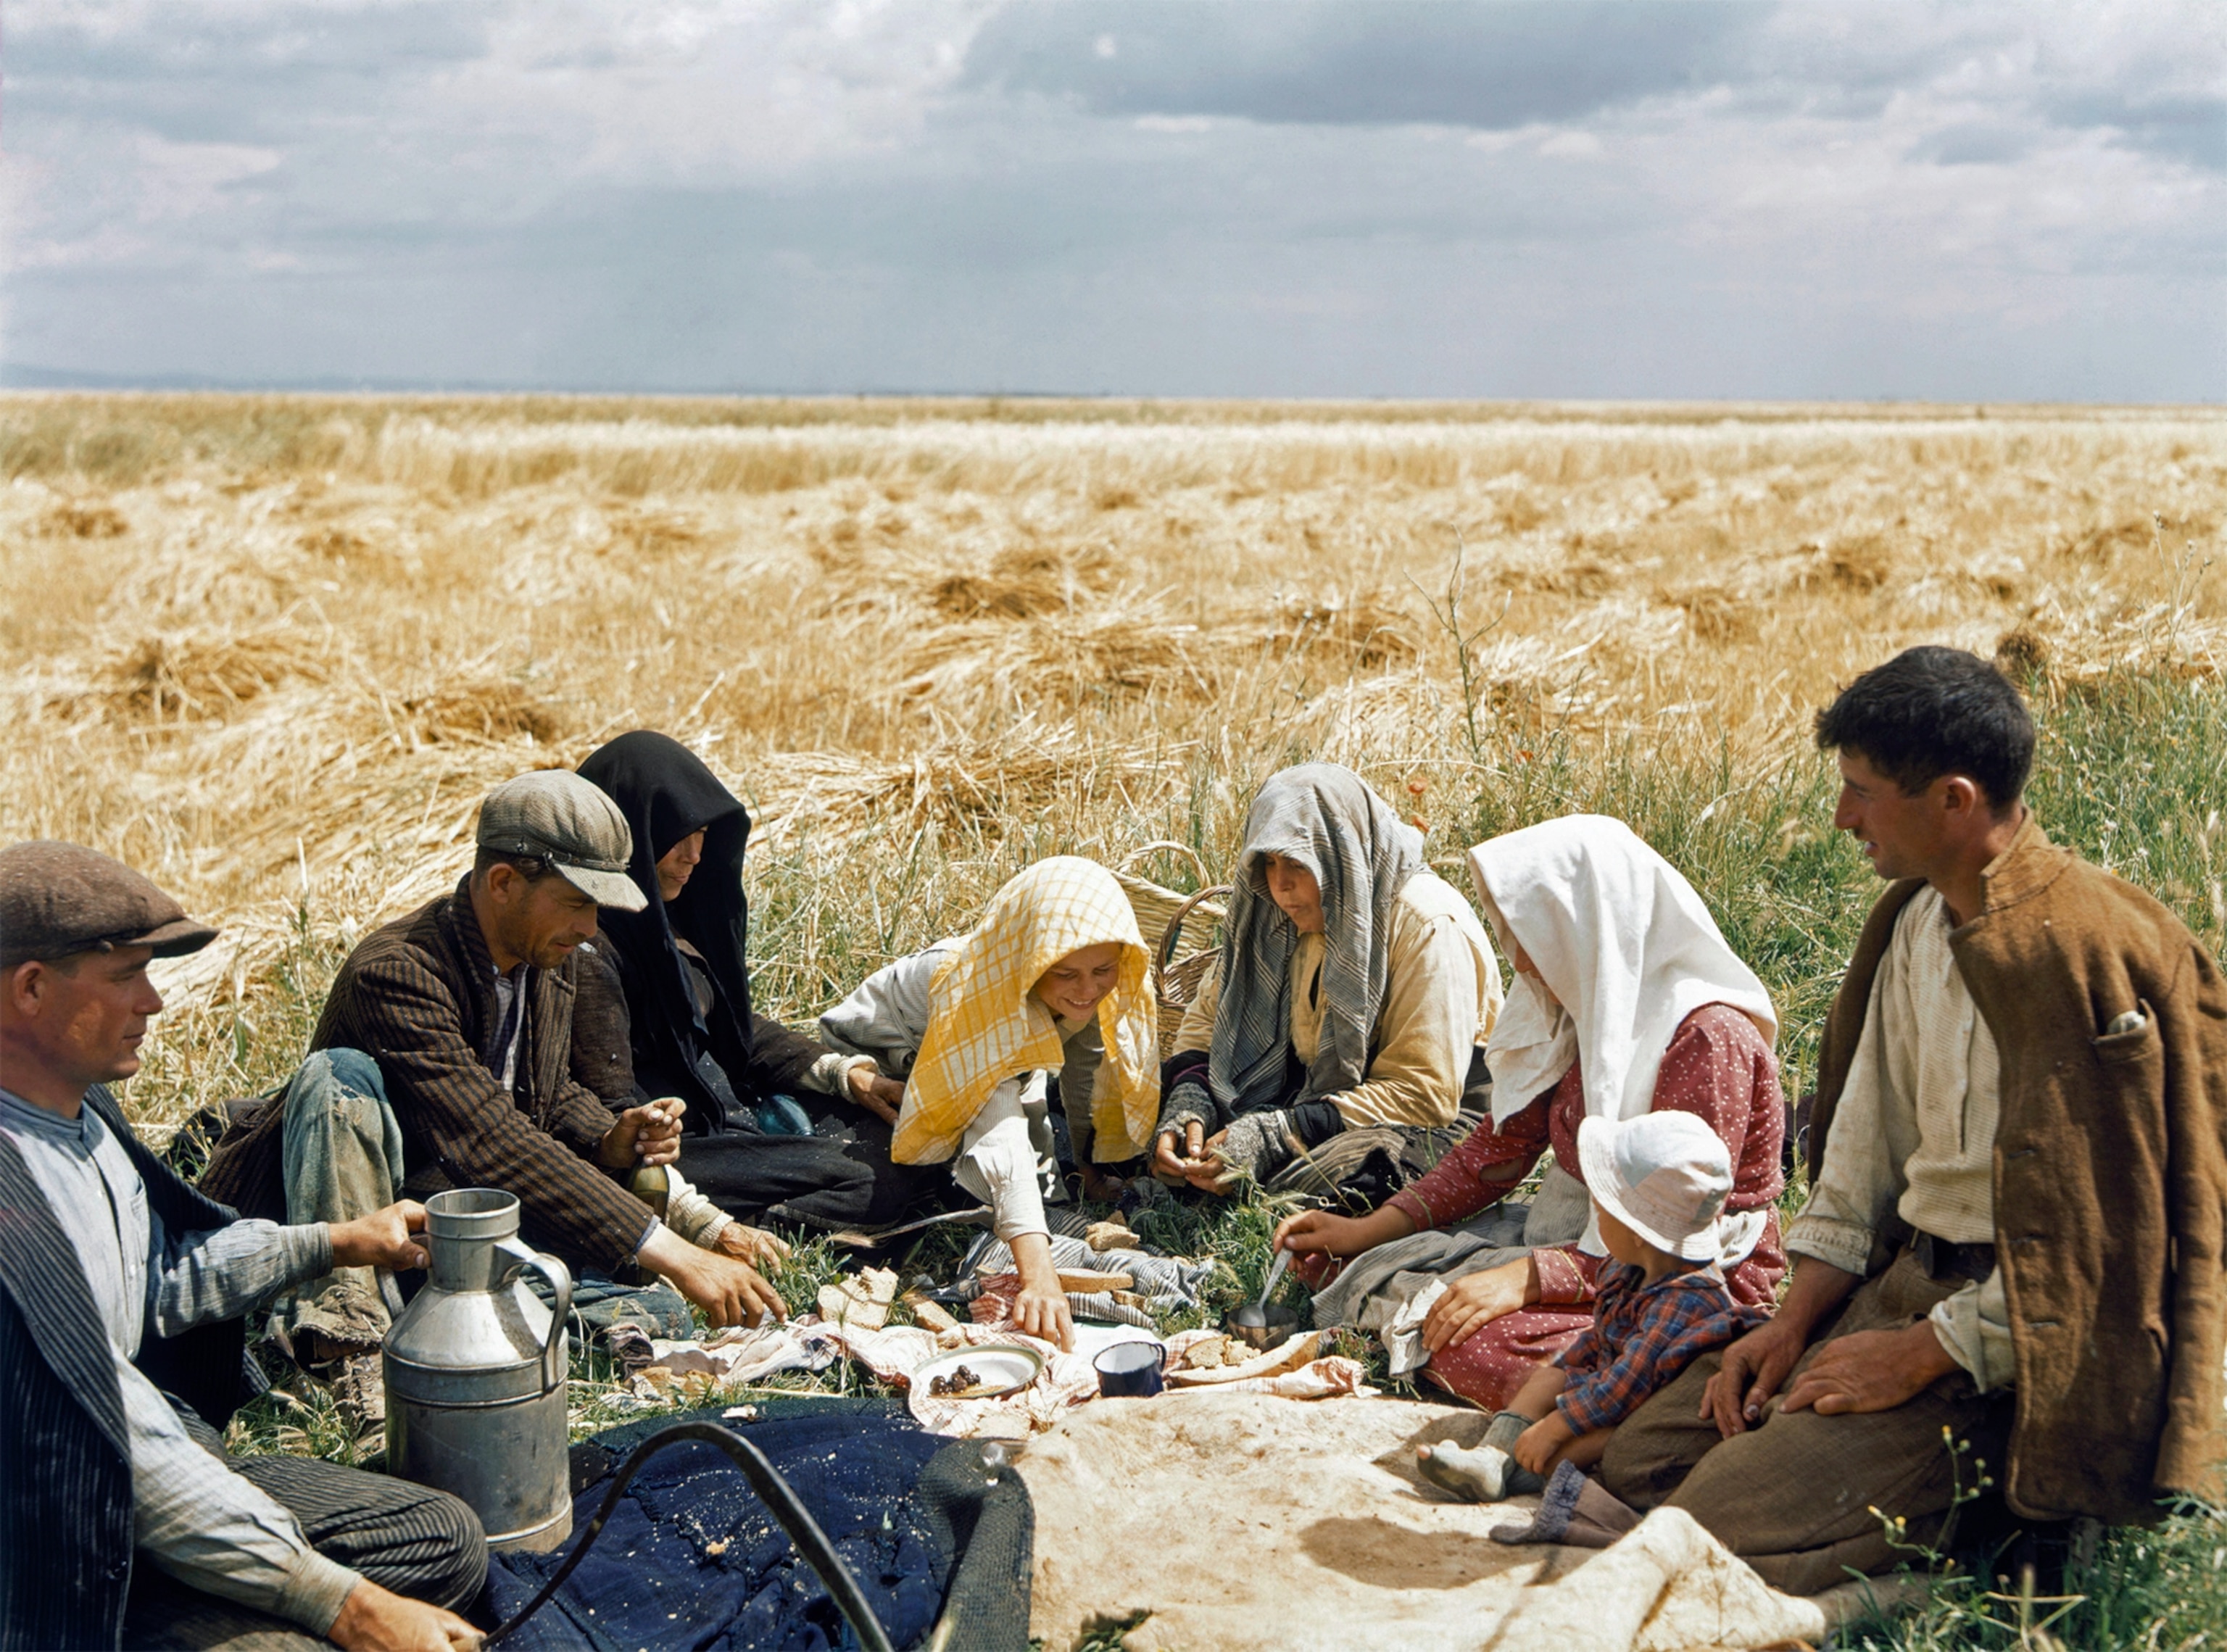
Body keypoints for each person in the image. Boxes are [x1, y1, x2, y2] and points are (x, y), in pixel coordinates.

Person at [1596, 647, 2227, 1594]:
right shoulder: (1915, 922)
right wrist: (1795, 1321)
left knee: (1708, 1518)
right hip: (1903, 1283)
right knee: (1642, 1457)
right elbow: (1863, 1155)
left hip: (2016, 1341)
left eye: (1861, 791)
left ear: (1954, 800)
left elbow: (2108, 1247)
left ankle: (2003, 1528)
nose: (1843, 817)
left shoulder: (2083, 955)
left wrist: (1926, 1352)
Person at [0, 841, 486, 1652]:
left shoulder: (81, 1116)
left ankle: (226, 1583)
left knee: (444, 1537)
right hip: (52, 1533)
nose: (153, 1001)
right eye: (126, 975)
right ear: (31, 988)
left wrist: (336, 1239)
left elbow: (158, 1277)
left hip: (149, 1468)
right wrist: (345, 1605)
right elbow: (119, 1440)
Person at [201, 771, 787, 1421]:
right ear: (504, 882)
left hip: (438, 1218)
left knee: (648, 1308)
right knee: (339, 1077)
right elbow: (487, 1138)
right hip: (342, 1223)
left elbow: (548, 1094)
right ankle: (345, 1344)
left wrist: (608, 1136)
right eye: (576, 903)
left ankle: (425, 1312)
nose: (591, 929)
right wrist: (675, 1249)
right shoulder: (397, 972)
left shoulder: (544, 962)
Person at [1273, 813, 1786, 1413]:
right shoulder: (1575, 1012)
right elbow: (1496, 1151)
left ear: (1584, 928)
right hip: (1585, 1237)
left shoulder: (1705, 1037)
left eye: (1531, 935)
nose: (1517, 956)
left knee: (1470, 1338)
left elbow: (1676, 1235)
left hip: (1688, 1276)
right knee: (1359, 1267)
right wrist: (1363, 1230)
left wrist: (1524, 1279)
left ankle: (1644, 1390)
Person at [573, 730, 933, 1231]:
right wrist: (701, 1224)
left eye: (702, 834)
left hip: (728, 1116)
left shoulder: (664, 924)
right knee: (874, 1180)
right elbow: (612, 1119)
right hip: (672, 1152)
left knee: (903, 1137)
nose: (695, 854)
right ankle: (751, 1235)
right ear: (631, 830)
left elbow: (731, 1028)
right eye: (678, 833)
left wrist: (844, 1075)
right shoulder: (586, 950)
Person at [818, 856, 1161, 1351]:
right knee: (958, 1182)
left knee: (1043, 1190)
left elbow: (1088, 1067)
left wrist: (1088, 1164)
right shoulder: (980, 989)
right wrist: (1038, 1274)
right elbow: (998, 1119)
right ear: (1031, 960)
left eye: (1103, 971)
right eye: (1066, 974)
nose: (1088, 990)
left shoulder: (1078, 991)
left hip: (1000, 1065)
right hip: (881, 1060)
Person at [1151, 763, 1503, 1200]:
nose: (1280, 885)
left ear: (1341, 853)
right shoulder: (1274, 910)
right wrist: (1192, 1097)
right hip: (1313, 1094)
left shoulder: (1425, 922)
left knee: (1360, 1176)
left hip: (1431, 1116)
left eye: (1299, 863)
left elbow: (1424, 1092)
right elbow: (1210, 1017)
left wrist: (1279, 1133)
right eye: (1270, 862)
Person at [1413, 1111, 1770, 1506]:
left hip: (1649, 1410)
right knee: (1549, 1377)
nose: (1595, 1219)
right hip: (1614, 1385)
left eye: (1602, 1211)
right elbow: (1598, 1338)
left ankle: (1520, 1473)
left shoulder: (1687, 1300)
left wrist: (1557, 1426)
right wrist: (1562, 1370)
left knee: (1597, 1441)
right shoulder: (1627, 1267)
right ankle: (1492, 1456)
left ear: (1637, 1232)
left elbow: (1626, 1387)